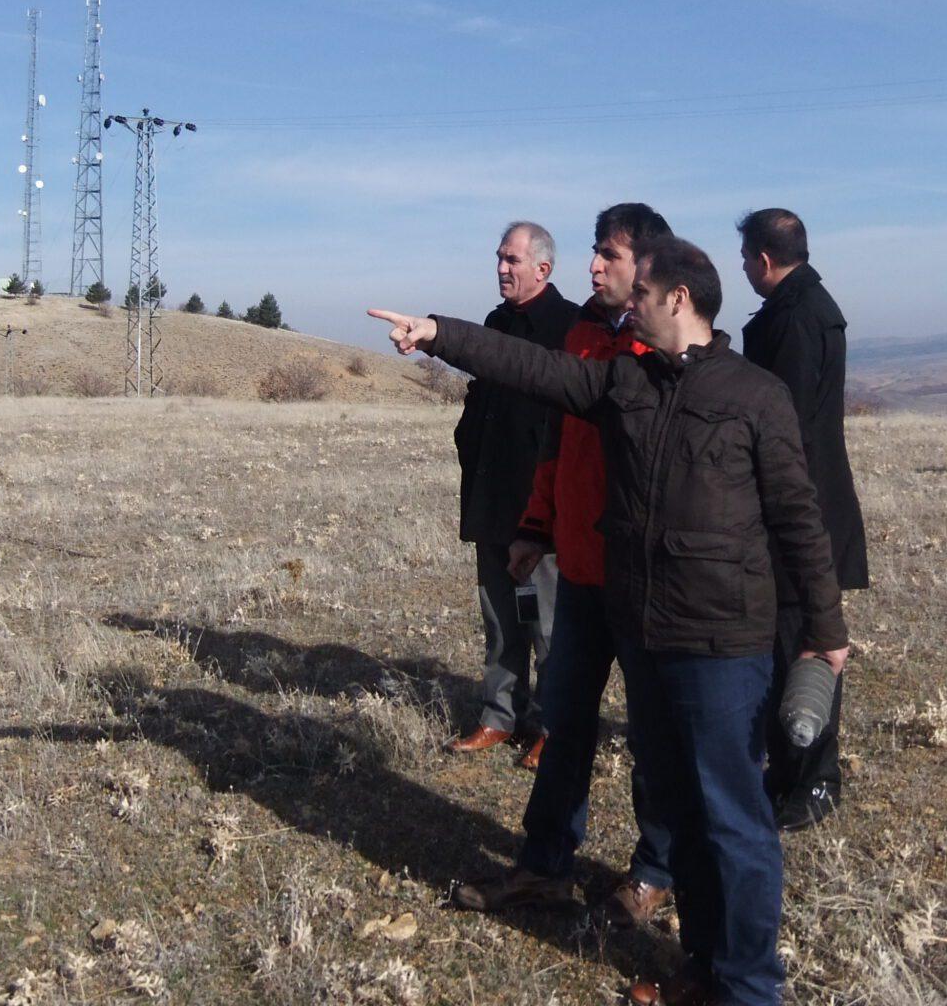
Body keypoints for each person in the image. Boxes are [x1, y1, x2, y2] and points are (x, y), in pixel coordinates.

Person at [372, 236, 848, 1006]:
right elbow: (532, 367)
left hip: (724, 643)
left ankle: (751, 988)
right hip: (644, 631)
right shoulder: (625, 382)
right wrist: (440, 333)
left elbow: (799, 519)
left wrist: (825, 633)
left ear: (679, 300)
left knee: (733, 820)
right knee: (682, 809)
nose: (629, 303)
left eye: (642, 294)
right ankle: (703, 965)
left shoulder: (754, 396)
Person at [446, 202, 678, 927]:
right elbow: (559, 443)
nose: (594, 267)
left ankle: (656, 870)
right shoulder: (582, 333)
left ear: (646, 263)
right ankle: (544, 865)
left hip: (643, 580)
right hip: (578, 567)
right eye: (593, 252)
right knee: (567, 724)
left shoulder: (664, 344)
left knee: (653, 736)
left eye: (607, 254)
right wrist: (536, 525)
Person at [736, 207, 869, 832]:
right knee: (790, 638)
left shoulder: (793, 321)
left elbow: (779, 424)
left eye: (744, 260)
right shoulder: (810, 307)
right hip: (808, 499)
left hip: (801, 506)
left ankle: (813, 781)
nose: (743, 270)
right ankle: (790, 771)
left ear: (764, 258)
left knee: (806, 644)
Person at [447, 221, 579, 756]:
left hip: (542, 505)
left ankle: (552, 726)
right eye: (499, 258)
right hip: (492, 495)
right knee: (500, 618)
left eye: (512, 260)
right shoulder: (495, 322)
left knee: (547, 621)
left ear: (542, 269)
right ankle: (500, 715)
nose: (501, 268)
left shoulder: (570, 327)